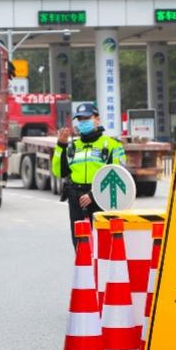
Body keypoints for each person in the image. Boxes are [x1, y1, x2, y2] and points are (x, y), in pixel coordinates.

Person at [52, 103, 126, 245]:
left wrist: (94, 194)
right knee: (79, 242)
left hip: (101, 197)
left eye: (87, 118)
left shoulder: (112, 144)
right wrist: (60, 145)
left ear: (97, 119)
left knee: (103, 242)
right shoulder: (73, 146)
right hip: (76, 196)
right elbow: (59, 171)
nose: (83, 122)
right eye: (80, 119)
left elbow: (117, 174)